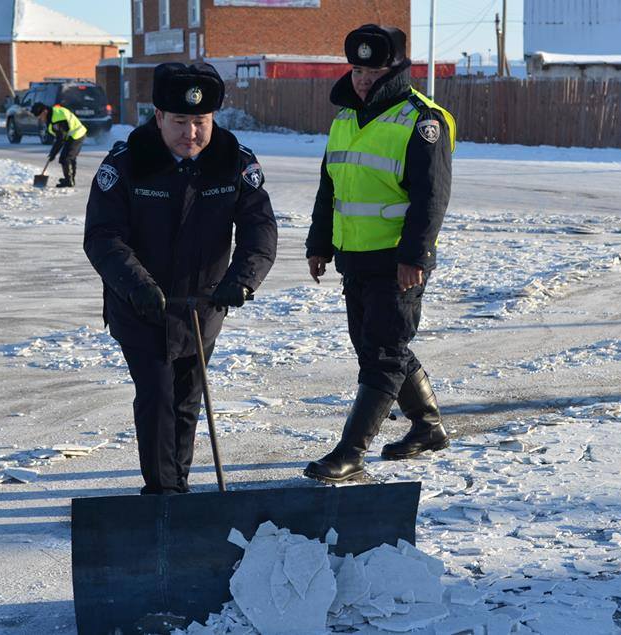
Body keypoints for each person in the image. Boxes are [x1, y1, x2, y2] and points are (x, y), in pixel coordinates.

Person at [84, 62, 277, 495]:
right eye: (180, 122)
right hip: (140, 306)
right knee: (157, 400)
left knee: (189, 400)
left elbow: (260, 229)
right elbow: (102, 236)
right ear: (158, 117)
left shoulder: (234, 162)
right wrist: (138, 287)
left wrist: (241, 280)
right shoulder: (126, 163)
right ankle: (162, 492)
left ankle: (180, 486)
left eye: (200, 122)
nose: (191, 133)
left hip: (204, 307)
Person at [304, 24, 457, 483]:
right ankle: (427, 427)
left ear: (395, 67)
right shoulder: (345, 118)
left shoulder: (422, 120)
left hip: (397, 261)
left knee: (384, 354)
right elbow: (329, 185)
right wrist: (319, 244)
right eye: (357, 68)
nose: (364, 78)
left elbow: (432, 198)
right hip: (355, 257)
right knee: (375, 347)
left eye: (374, 69)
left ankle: (350, 451)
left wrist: (416, 257)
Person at [31, 101, 86, 187]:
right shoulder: (51, 116)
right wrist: (53, 153)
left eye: (40, 116)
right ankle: (70, 179)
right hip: (71, 136)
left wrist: (53, 153)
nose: (40, 119)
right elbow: (59, 136)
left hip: (77, 134)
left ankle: (69, 181)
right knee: (69, 157)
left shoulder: (57, 117)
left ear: (44, 111)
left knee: (66, 158)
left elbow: (61, 138)